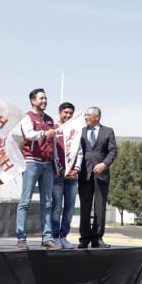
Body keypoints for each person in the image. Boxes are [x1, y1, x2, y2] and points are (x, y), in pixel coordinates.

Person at [17, 88, 58, 250]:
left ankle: (47, 238)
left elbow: (53, 142)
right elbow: (28, 135)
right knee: (25, 201)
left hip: (47, 164)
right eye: (41, 98)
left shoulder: (49, 119)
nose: (44, 101)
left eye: (46, 98)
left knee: (47, 202)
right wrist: (44, 133)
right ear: (33, 101)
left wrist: (55, 162)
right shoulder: (27, 117)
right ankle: (21, 238)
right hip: (31, 162)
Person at [77, 106, 117, 249]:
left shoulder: (108, 131)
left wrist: (104, 165)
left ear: (97, 117)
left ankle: (97, 237)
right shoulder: (80, 132)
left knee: (99, 207)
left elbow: (113, 152)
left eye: (88, 115)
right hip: (84, 174)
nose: (86, 117)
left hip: (101, 174)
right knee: (85, 207)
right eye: (85, 115)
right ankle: (84, 238)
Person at [50, 102, 80, 249]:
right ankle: (54, 236)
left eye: (70, 113)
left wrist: (76, 169)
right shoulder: (54, 129)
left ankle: (64, 236)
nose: (67, 115)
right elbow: (53, 151)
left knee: (69, 207)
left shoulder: (75, 129)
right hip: (57, 175)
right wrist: (61, 169)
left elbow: (79, 152)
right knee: (56, 207)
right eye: (65, 112)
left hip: (73, 176)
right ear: (60, 113)